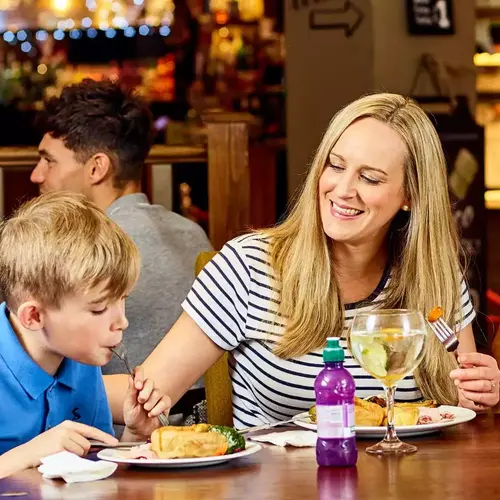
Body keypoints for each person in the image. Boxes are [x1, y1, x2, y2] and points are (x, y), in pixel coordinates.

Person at [104, 93, 500, 429]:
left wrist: (481, 393)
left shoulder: (434, 276)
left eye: (371, 178)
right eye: (336, 165)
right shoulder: (249, 266)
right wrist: (47, 384)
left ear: (410, 195)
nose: (343, 190)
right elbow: (150, 391)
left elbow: (456, 403)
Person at [31, 79, 211, 413]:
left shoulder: (78, 248)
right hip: (203, 425)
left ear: (97, 167)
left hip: (119, 439)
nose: (36, 175)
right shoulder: (192, 233)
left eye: (49, 161)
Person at [0, 192, 169, 478]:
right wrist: (28, 454)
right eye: (99, 309)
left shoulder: (80, 358)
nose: (122, 322)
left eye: (122, 299)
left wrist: (135, 436)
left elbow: (94, 473)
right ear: (34, 316)